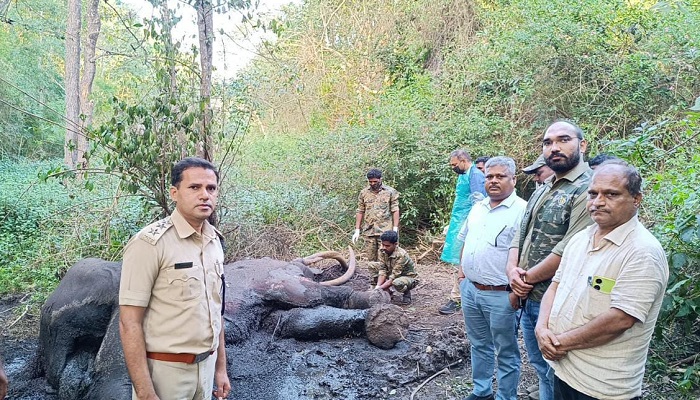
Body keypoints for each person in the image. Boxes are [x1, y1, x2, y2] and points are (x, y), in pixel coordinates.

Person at [535, 161, 668, 399]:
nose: (598, 202)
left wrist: (559, 343)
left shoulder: (642, 251)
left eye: (611, 194)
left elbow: (620, 319)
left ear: (636, 199)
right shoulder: (580, 239)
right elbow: (555, 285)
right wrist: (541, 328)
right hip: (564, 371)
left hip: (603, 386)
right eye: (593, 194)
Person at [119, 157, 231, 400]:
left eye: (211, 189)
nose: (205, 195)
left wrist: (221, 369)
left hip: (207, 367)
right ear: (174, 192)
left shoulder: (214, 241)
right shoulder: (149, 244)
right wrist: (146, 393)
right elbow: (129, 322)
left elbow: (216, 310)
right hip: (165, 373)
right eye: (194, 187)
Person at [506, 120, 594, 400]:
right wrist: (512, 273)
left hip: (557, 301)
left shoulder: (589, 189)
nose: (554, 148)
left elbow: (570, 248)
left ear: (582, 145)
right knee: (542, 369)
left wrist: (525, 281)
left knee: (561, 375)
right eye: (547, 142)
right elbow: (520, 234)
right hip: (529, 298)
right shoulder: (544, 187)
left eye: (563, 140)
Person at [457, 157, 527, 400]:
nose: (493, 181)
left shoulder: (523, 211)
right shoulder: (478, 207)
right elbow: (465, 240)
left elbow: (527, 258)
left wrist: (516, 294)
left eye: (500, 176)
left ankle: (506, 396)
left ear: (513, 180)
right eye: (489, 176)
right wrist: (462, 275)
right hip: (471, 290)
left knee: (506, 351)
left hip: (502, 295)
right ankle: (482, 390)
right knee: (479, 344)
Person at [438, 149, 487, 315]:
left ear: (463, 160)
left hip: (468, 223)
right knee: (460, 261)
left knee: (463, 260)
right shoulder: (464, 174)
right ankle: (460, 296)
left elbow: (478, 203)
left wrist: (470, 225)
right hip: (459, 221)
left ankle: (457, 298)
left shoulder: (475, 175)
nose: (453, 168)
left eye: (454, 164)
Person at [352, 168, 400, 262]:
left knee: (385, 259)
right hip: (369, 231)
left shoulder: (390, 192)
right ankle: (374, 277)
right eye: (370, 182)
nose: (373, 184)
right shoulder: (364, 193)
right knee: (371, 261)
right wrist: (357, 230)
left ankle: (386, 276)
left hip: (385, 231)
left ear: (380, 179)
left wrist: (395, 229)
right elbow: (360, 210)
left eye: (375, 181)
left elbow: (395, 210)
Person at [368, 230, 418, 305]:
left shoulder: (402, 255)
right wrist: (378, 286)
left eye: (387, 246)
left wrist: (379, 289)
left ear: (395, 244)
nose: (384, 247)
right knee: (372, 265)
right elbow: (382, 270)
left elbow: (393, 277)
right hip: (392, 271)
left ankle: (406, 292)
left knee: (397, 282)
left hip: (407, 276)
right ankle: (386, 291)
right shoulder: (382, 250)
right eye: (383, 244)